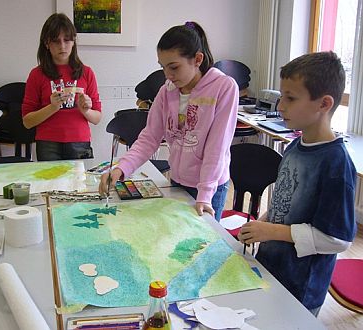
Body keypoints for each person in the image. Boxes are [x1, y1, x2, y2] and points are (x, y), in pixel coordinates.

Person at [238, 51, 357, 316]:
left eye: (291, 98)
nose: (280, 106)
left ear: (324, 104)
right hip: (271, 269)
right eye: (282, 96)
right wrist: (262, 224)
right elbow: (284, 201)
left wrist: (271, 231)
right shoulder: (294, 146)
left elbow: (337, 239)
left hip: (301, 287)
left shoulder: (336, 164)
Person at [99, 21, 238, 220]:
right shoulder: (167, 91)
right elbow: (149, 138)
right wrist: (121, 168)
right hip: (179, 180)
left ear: (197, 59)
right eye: (163, 67)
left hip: (209, 187)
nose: (168, 75)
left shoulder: (224, 87)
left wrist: (205, 195)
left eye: (174, 67)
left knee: (203, 245)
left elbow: (217, 147)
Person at [22, 13, 101, 160]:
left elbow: (97, 118)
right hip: (48, 143)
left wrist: (86, 110)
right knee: (50, 183)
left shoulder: (86, 72)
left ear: (73, 42)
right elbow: (27, 121)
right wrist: (52, 107)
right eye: (56, 41)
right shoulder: (37, 74)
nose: (62, 46)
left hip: (79, 141)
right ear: (47, 43)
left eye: (67, 40)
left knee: (80, 183)